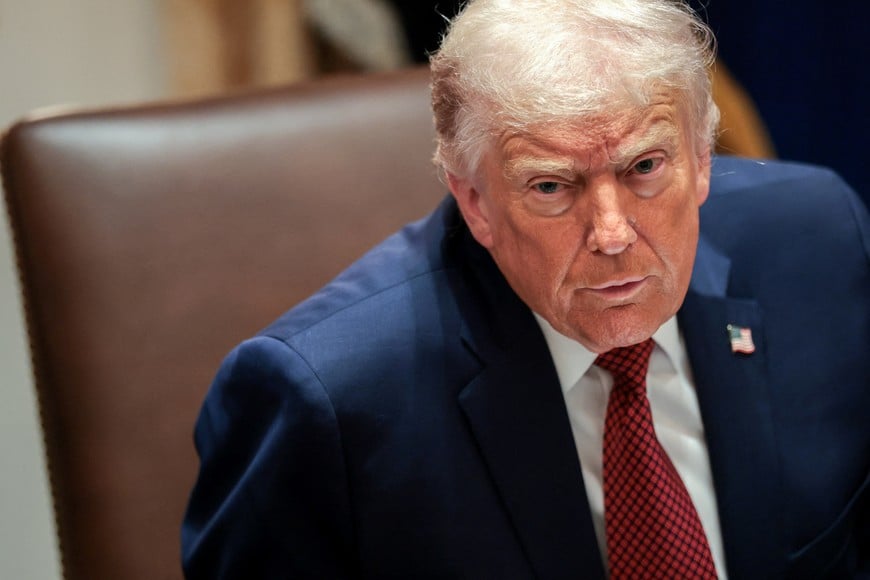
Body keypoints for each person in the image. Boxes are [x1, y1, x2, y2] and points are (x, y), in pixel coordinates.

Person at [181, 0, 870, 578]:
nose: (611, 233)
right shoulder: (326, 402)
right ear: (473, 199)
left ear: (700, 159)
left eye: (645, 167)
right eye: (550, 185)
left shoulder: (821, 245)